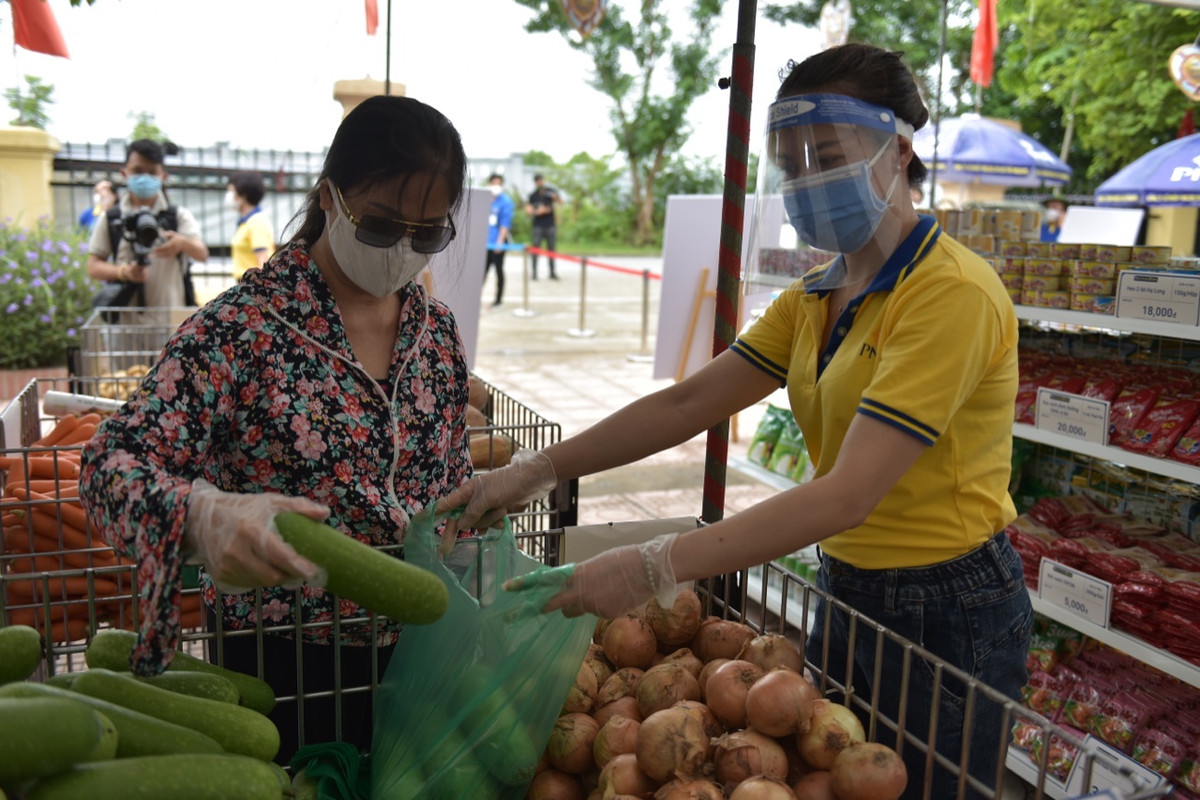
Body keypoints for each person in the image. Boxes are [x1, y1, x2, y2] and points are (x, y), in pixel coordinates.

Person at [439, 43, 1032, 800]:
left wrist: (654, 564)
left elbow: (848, 494)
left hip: (948, 608)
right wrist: (537, 469)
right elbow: (686, 405)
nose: (807, 180)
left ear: (900, 149)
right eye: (791, 163)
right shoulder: (817, 296)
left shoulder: (950, 295)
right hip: (851, 588)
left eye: (828, 155)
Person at [79, 96, 472, 765]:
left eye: (428, 234)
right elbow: (108, 469)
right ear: (331, 199)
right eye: (380, 227)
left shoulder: (435, 333)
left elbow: (451, 474)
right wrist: (201, 514)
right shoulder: (237, 331)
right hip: (280, 671)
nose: (401, 251)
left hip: (420, 660)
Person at [86, 139, 209, 308]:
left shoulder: (178, 216)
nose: (144, 178)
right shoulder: (111, 217)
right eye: (137, 171)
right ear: (125, 173)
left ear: (163, 176)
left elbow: (202, 254)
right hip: (126, 322)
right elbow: (93, 267)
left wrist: (181, 243)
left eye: (152, 172)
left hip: (172, 320)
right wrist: (124, 272)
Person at [226, 171, 276, 282]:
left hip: (251, 285)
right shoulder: (247, 221)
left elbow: (263, 262)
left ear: (243, 195)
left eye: (231, 192)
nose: (228, 196)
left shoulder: (256, 221)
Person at [484, 172, 514, 306]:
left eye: (499, 184)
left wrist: (499, 242)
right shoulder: (485, 198)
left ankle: (498, 299)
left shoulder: (505, 201)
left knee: (498, 270)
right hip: (484, 242)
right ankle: (476, 296)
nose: (496, 186)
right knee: (481, 271)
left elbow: (505, 224)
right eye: (494, 183)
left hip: (497, 242)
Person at [525, 173, 561, 280]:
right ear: (535, 182)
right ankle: (534, 273)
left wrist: (554, 197)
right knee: (535, 249)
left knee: (551, 249)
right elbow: (528, 211)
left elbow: (560, 202)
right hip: (538, 225)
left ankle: (552, 272)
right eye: (538, 181)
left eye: (541, 180)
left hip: (550, 224)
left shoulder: (550, 191)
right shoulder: (533, 195)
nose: (540, 182)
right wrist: (538, 211)